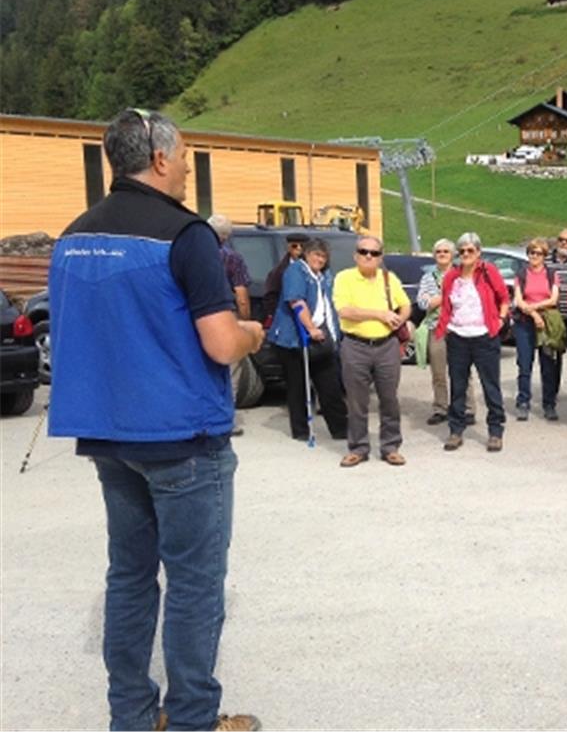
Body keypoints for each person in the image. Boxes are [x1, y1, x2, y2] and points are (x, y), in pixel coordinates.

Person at [48, 109, 263, 731]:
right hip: (182, 439)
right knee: (195, 586)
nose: (191, 170)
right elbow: (221, 343)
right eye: (188, 157)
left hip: (109, 437)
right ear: (160, 158)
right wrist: (250, 333)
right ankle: (194, 718)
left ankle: (133, 718)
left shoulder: (74, 235)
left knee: (131, 577)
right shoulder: (185, 234)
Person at [333, 235, 412, 467]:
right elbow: (344, 311)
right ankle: (358, 447)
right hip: (355, 345)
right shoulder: (344, 278)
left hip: (386, 345)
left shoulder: (389, 278)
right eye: (364, 251)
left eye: (374, 253)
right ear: (355, 255)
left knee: (389, 399)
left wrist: (400, 318)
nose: (369, 256)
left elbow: (405, 304)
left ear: (381, 257)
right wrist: (379, 314)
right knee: (357, 401)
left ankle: (391, 446)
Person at [268, 237, 349, 442]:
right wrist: (310, 328)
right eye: (316, 255)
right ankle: (301, 430)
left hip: (323, 335)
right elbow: (296, 301)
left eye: (323, 256)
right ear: (307, 254)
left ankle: (340, 428)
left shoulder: (324, 275)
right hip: (295, 338)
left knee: (330, 384)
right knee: (298, 386)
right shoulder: (296, 272)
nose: (320, 260)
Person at [435, 232, 510, 452]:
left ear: (478, 252)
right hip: (457, 336)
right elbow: (446, 304)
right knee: (458, 386)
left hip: (484, 337)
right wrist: (445, 327)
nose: (466, 254)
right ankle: (456, 431)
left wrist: (499, 320)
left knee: (490, 386)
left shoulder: (488, 272)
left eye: (470, 250)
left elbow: (504, 298)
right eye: (462, 251)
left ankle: (495, 431)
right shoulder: (452, 276)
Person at [417, 238, 475, 427]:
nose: (442, 254)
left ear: (452, 255)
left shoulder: (461, 274)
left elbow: (465, 299)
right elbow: (423, 303)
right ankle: (441, 408)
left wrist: (436, 298)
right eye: (438, 251)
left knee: (463, 372)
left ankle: (468, 409)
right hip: (437, 329)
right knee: (439, 372)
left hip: (459, 328)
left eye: (446, 252)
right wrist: (445, 296)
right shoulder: (427, 277)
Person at [208, 213, 251, 437]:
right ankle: (226, 420)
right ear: (225, 237)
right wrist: (244, 321)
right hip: (225, 316)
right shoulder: (232, 258)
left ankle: (205, 416)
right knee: (231, 369)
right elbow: (241, 294)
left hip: (197, 318)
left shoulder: (194, 255)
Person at [513, 237, 562, 421]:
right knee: (524, 365)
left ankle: (549, 404)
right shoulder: (521, 274)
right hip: (524, 323)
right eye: (532, 252)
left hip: (547, 323)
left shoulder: (551, 274)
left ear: (544, 256)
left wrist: (536, 310)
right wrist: (534, 315)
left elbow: (553, 300)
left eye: (538, 253)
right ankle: (523, 401)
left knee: (548, 365)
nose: (534, 256)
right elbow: (519, 301)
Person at [263, 231, 309, 324]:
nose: (299, 249)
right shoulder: (278, 272)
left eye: (302, 246)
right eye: (294, 246)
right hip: (288, 318)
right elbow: (271, 297)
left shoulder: (314, 268)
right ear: (288, 248)